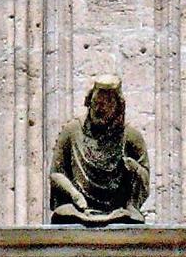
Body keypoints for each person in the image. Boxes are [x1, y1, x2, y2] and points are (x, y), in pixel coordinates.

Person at [49, 76, 149, 225]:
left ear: (117, 109)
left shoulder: (130, 136)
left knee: (130, 217)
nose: (99, 109)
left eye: (107, 105)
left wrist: (134, 168)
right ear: (90, 102)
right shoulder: (72, 131)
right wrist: (75, 194)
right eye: (96, 103)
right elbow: (56, 173)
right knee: (64, 213)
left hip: (118, 210)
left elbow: (145, 179)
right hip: (78, 209)